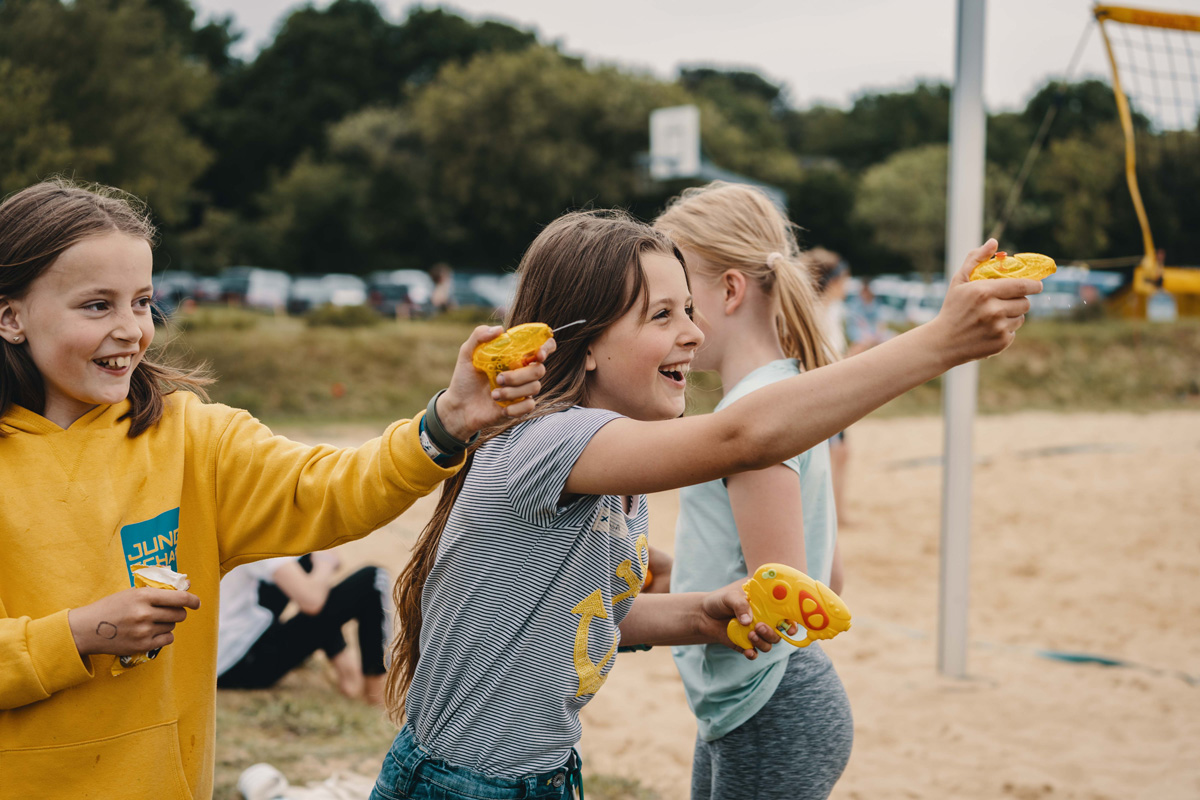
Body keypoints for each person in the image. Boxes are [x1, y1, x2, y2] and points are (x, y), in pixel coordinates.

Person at [370, 209, 1039, 800]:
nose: (692, 332)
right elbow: (744, 436)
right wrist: (940, 341)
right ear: (588, 343)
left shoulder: (606, 475)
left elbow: (576, 621)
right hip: (470, 786)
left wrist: (702, 613)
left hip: (532, 774)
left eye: (689, 309)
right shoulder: (548, 442)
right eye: (662, 315)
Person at [0, 178, 551, 800]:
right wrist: (77, 634)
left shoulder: (195, 439)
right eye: (97, 305)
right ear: (10, 316)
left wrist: (445, 424)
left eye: (142, 302)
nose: (131, 328)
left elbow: (332, 488)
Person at [655, 181, 851, 799]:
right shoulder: (789, 396)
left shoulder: (756, 419)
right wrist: (684, 580)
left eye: (682, 303)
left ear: (731, 290)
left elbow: (785, 601)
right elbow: (829, 580)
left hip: (770, 704)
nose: (674, 324)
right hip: (753, 702)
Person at [216, 551, 392, 706]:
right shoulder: (255, 533)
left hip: (221, 654)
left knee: (305, 559)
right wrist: (326, 562)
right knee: (374, 578)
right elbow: (311, 600)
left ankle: (347, 672)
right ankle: (375, 695)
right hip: (241, 663)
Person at [808, 247, 854, 526]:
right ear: (834, 280)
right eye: (845, 278)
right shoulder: (812, 311)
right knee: (829, 453)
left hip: (835, 386)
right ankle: (829, 514)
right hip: (822, 390)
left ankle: (837, 512)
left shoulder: (833, 310)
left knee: (840, 452)